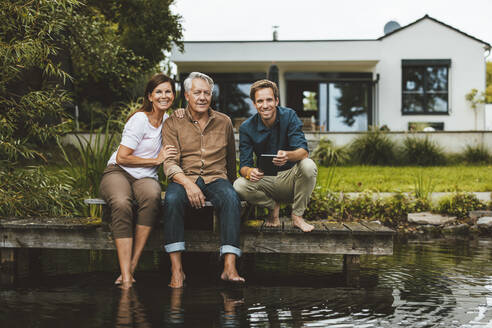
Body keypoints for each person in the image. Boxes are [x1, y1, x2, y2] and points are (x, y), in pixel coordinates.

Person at [100, 73, 183, 289]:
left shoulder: (168, 120)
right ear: (150, 96)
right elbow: (122, 156)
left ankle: (133, 264)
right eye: (159, 92)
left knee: (153, 196)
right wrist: (155, 159)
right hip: (118, 171)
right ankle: (126, 275)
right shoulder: (139, 120)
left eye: (168, 91)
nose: (164, 96)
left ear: (173, 95)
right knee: (121, 202)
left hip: (145, 176)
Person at [162, 72, 245, 288]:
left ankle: (229, 267)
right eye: (197, 92)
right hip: (184, 176)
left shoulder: (224, 122)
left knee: (230, 198)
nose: (202, 97)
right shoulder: (173, 122)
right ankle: (177, 270)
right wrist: (188, 184)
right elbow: (169, 163)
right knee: (171, 200)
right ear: (187, 95)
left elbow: (230, 161)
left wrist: (234, 187)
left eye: (206, 93)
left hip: (216, 177)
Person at [233, 79, 318, 232]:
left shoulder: (289, 116)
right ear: (254, 104)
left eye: (269, 100)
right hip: (265, 180)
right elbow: (243, 166)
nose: (265, 105)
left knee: (308, 165)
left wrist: (288, 155)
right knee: (238, 184)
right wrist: (250, 172)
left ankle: (297, 216)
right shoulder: (246, 127)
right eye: (260, 101)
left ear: (277, 101)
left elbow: (303, 152)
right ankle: (273, 207)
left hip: (290, 180)